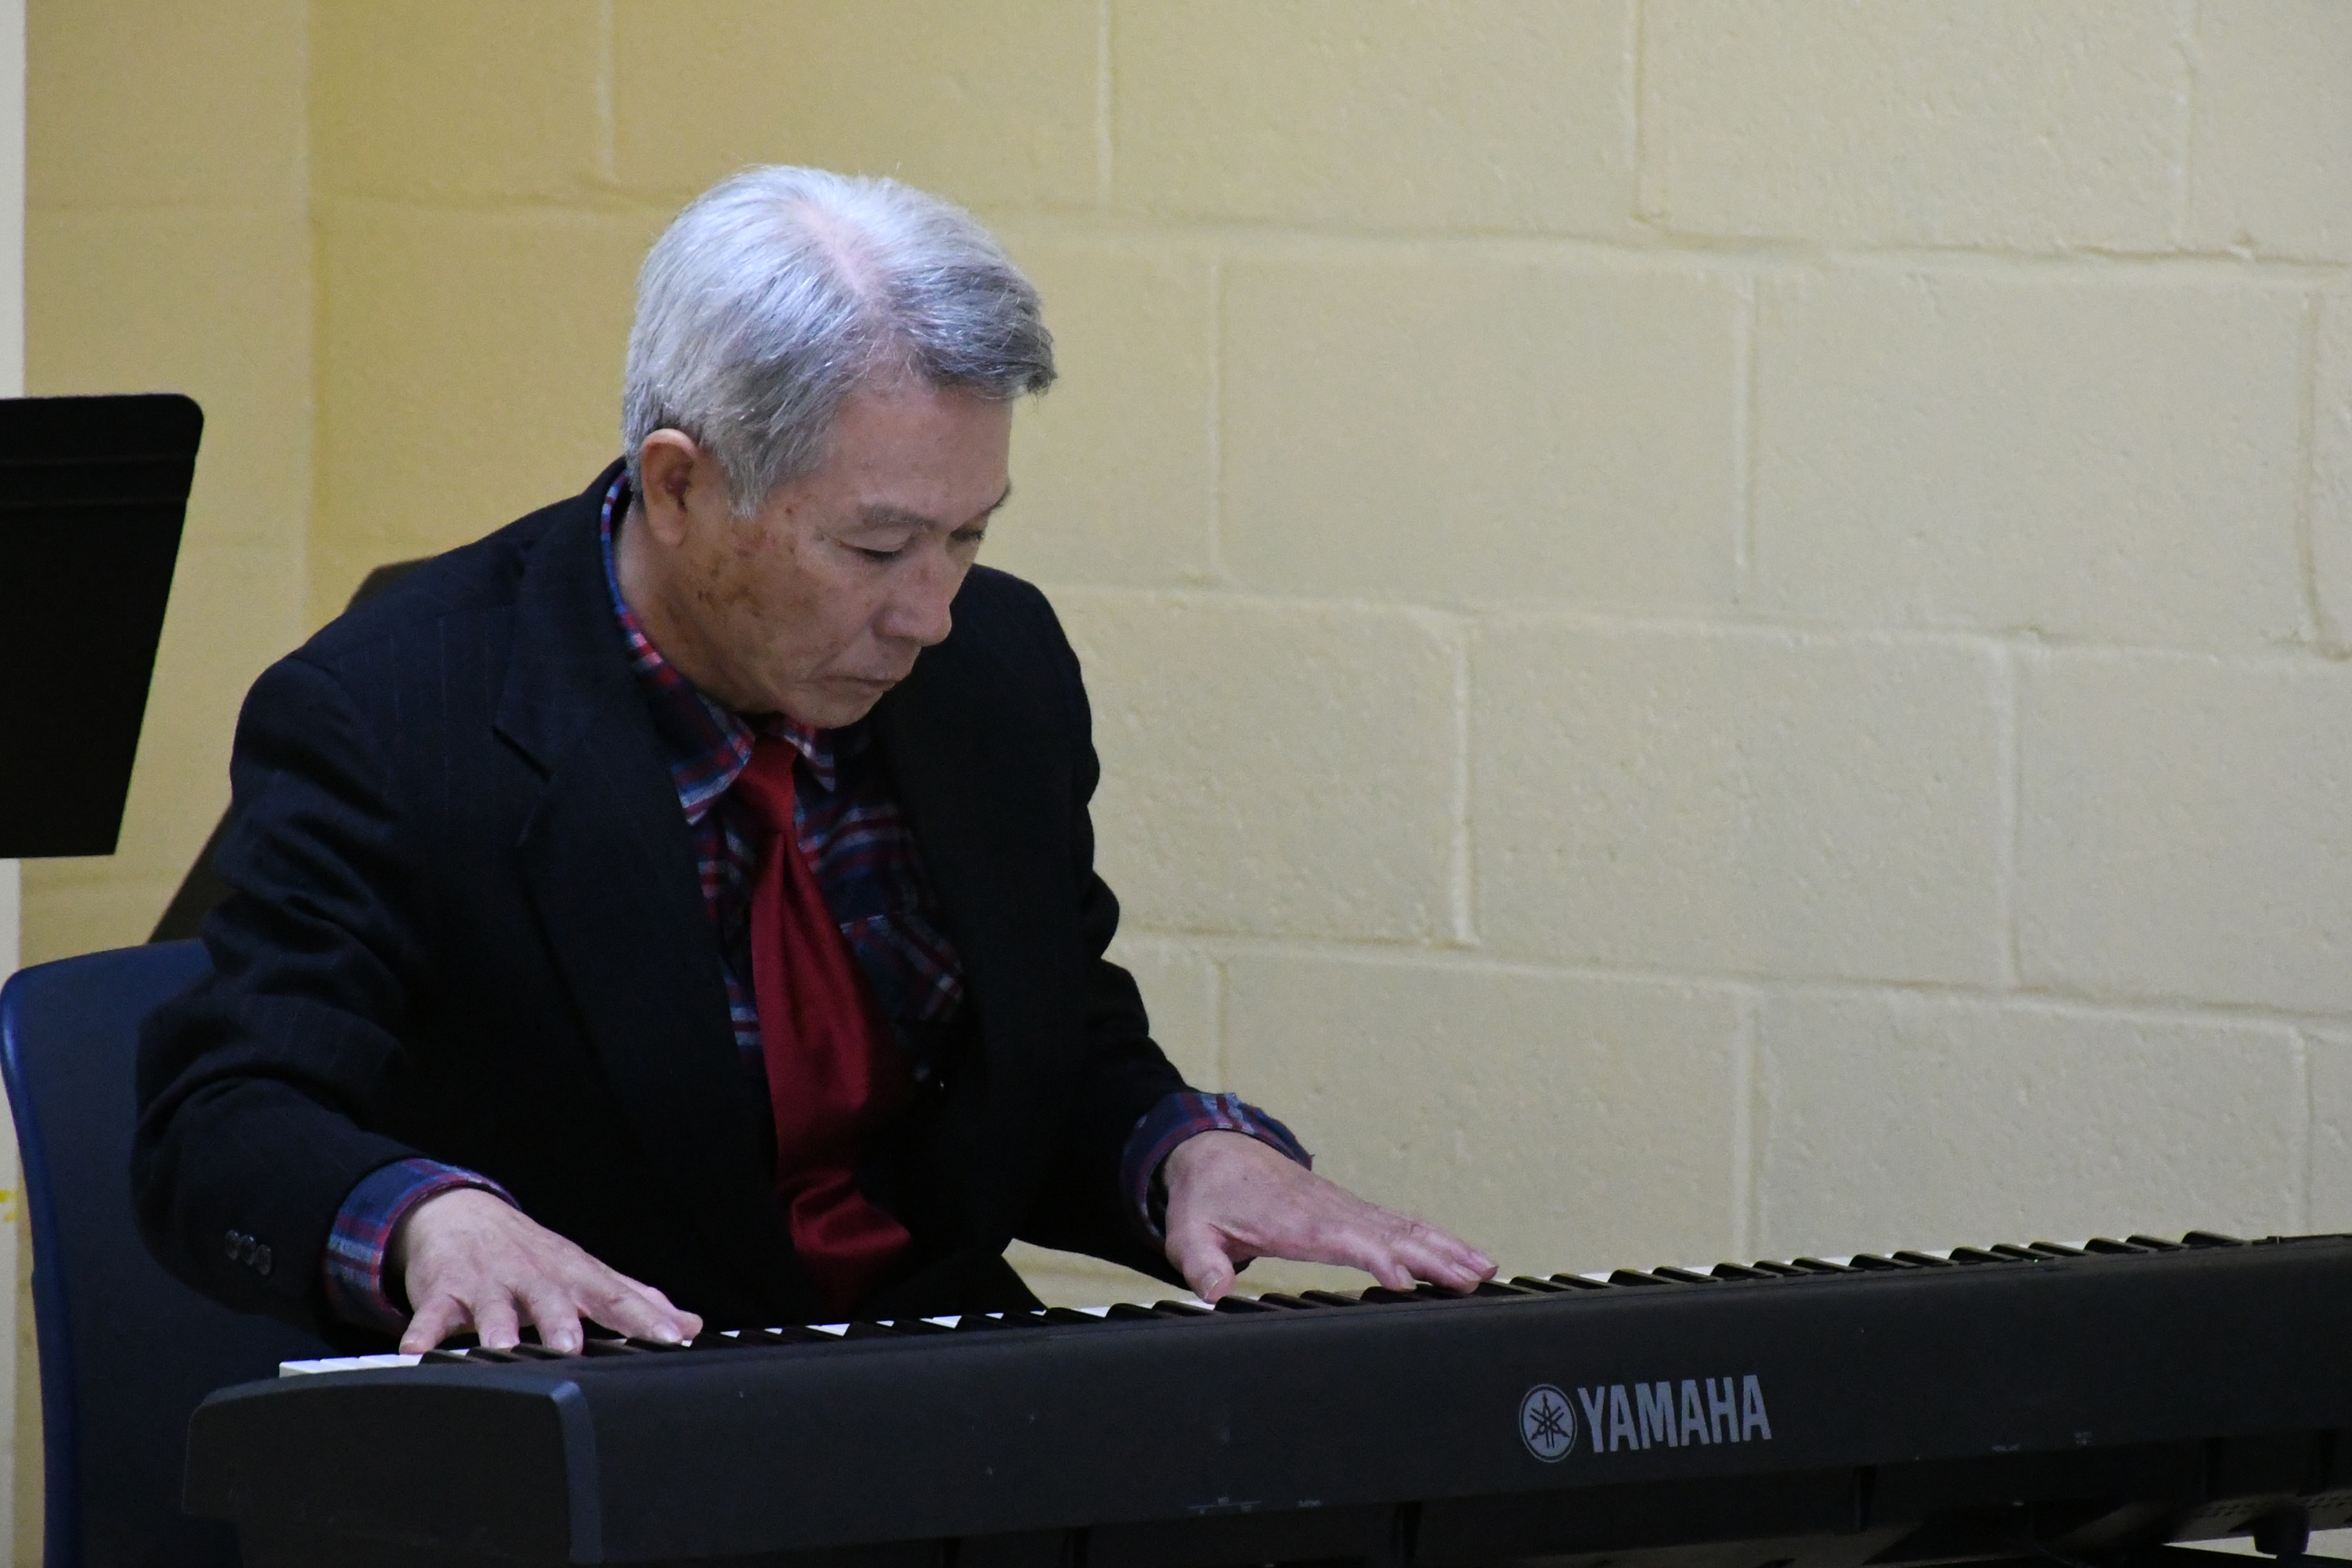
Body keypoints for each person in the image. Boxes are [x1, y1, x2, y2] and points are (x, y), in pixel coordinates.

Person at [133, 166, 1494, 1357]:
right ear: (678, 484)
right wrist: (430, 1219)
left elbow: (1049, 1051)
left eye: (969, 535)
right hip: (593, 1406)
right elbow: (223, 1117)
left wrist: (1185, 1150)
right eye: (878, 546)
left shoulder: (995, 666)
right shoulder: (394, 710)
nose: (931, 612)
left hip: (932, 1406)